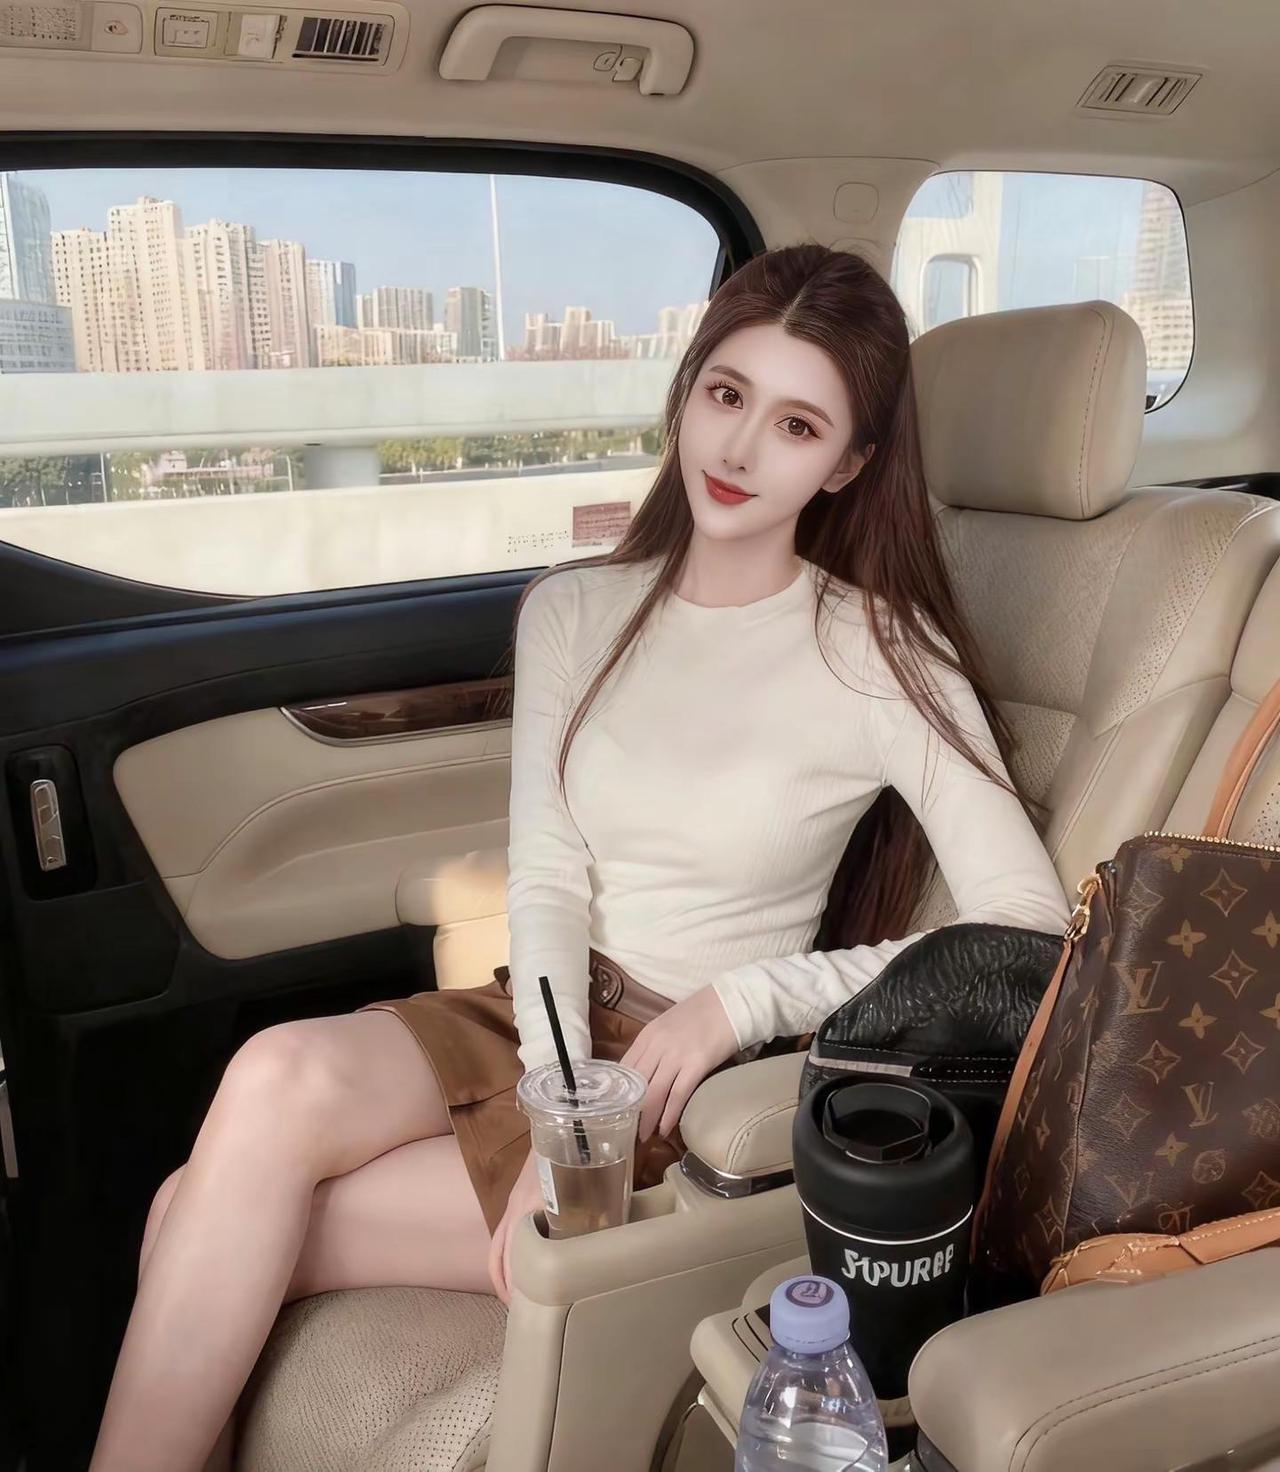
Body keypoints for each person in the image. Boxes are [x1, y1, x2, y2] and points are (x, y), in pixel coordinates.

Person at [88, 243, 1071, 1472]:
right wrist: (559, 1110)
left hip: (679, 1078)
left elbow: (1026, 931)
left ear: (847, 463)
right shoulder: (572, 609)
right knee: (271, 1070)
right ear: (685, 389)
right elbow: (547, 873)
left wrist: (739, 1001)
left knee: (188, 1207)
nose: (739, 447)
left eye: (796, 424)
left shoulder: (878, 649)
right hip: (543, 1018)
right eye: (725, 393)